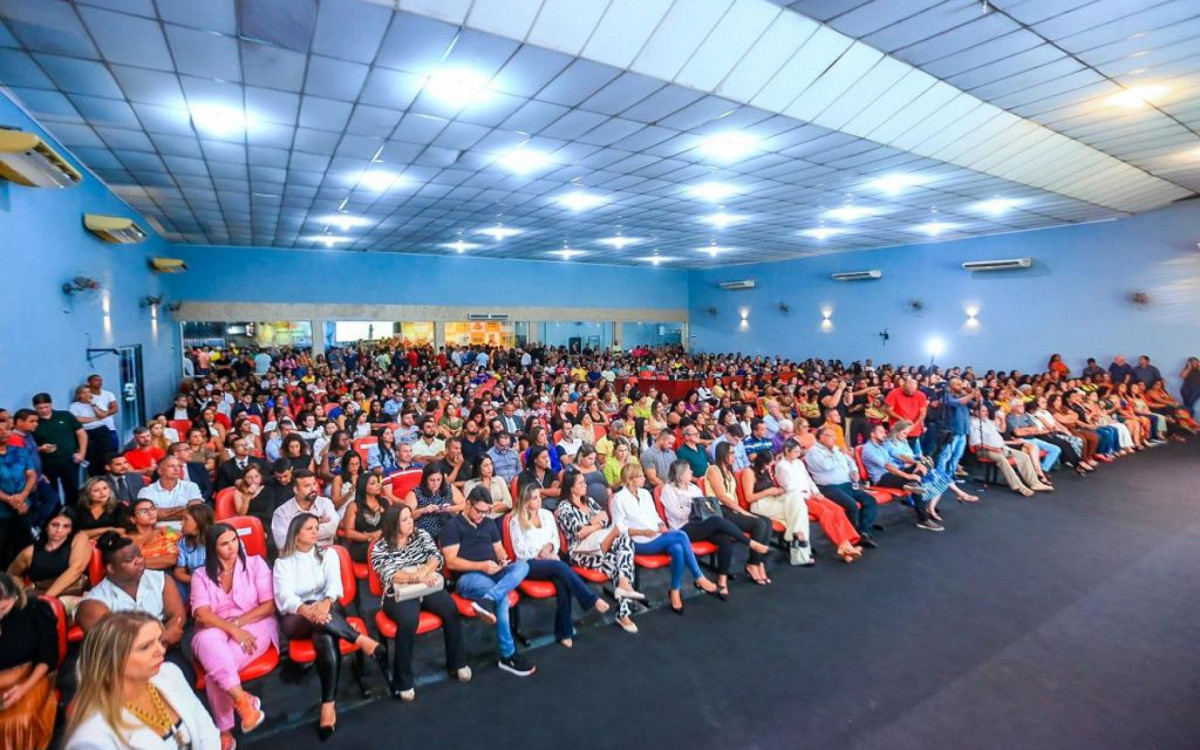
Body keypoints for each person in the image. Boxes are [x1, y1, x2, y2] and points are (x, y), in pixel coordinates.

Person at [273, 514, 391, 739]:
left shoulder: (328, 555)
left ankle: (328, 705)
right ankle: (359, 639)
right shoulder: (283, 563)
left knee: (324, 635)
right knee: (319, 623)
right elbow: (284, 598)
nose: (316, 532)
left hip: (329, 609)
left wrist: (325, 604)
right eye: (309, 529)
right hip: (296, 616)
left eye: (317, 527)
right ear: (296, 533)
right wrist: (308, 610)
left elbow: (335, 585)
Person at [64, 610, 221, 750]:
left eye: (159, 641)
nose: (161, 650)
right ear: (114, 660)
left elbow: (206, 729)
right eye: (146, 647)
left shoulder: (170, 672)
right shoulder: (92, 737)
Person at [370, 505, 470, 701]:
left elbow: (436, 557)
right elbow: (388, 574)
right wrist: (415, 577)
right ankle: (403, 681)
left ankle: (457, 663)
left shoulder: (420, 534)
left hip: (427, 585)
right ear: (393, 524)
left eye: (410, 518)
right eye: (405, 519)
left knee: (450, 608)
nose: (411, 522)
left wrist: (423, 572)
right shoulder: (380, 546)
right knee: (408, 621)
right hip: (398, 593)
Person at [189, 523, 275, 749]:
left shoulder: (256, 564)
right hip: (213, 628)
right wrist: (232, 629)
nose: (232, 547)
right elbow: (202, 614)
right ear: (212, 548)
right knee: (211, 647)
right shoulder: (200, 574)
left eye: (234, 540)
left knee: (215, 673)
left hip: (255, 623)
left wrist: (237, 624)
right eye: (224, 543)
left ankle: (225, 731)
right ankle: (243, 702)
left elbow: (268, 606)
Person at [443, 488, 535, 676]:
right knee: (500, 594)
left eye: (486, 511)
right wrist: (481, 566)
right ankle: (507, 654)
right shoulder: (452, 526)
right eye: (479, 511)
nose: (482, 515)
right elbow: (451, 561)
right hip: (468, 578)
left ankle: (487, 600)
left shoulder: (488, 523)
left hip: (493, 571)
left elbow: (499, 549)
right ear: (468, 504)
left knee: (523, 566)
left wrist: (501, 560)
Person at [75, 532, 191, 680]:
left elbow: (177, 616)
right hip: (121, 666)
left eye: (139, 555)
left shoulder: (161, 579)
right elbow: (114, 647)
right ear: (110, 568)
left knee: (184, 677)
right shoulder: (93, 604)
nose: (139, 561)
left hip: (166, 652)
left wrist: (161, 646)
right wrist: (163, 638)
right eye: (130, 560)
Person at [508, 484, 610, 647]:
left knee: (562, 580)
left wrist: (549, 548)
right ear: (526, 502)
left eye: (539, 496)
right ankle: (590, 600)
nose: (539, 501)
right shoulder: (515, 521)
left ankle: (564, 631)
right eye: (534, 498)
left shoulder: (547, 515)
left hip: (550, 558)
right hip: (529, 564)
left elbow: (555, 540)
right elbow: (520, 550)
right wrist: (541, 552)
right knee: (561, 568)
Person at [610, 463, 718, 614]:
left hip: (655, 535)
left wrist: (661, 524)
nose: (643, 478)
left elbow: (654, 515)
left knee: (678, 548)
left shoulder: (645, 494)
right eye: (639, 476)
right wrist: (642, 532)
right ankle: (698, 576)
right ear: (629, 480)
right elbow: (618, 529)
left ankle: (675, 590)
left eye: (642, 475)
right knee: (681, 535)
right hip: (636, 541)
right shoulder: (618, 499)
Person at [661, 460, 771, 597]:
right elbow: (676, 513)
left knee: (724, 539)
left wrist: (699, 509)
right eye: (689, 471)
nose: (692, 473)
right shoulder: (668, 490)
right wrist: (695, 507)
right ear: (680, 474)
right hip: (682, 528)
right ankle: (750, 543)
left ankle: (722, 579)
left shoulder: (694, 488)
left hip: (700, 524)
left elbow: (705, 507)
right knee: (716, 520)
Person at [0, 573, 57, 750]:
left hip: (28, 675)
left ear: (14, 597)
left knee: (17, 721)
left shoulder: (35, 610)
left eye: (2, 608)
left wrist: (23, 688)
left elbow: (47, 657)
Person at [702, 443, 774, 584]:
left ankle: (759, 562)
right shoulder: (713, 469)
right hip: (719, 511)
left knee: (767, 522)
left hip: (731, 509)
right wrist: (742, 512)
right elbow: (722, 497)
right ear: (723, 454)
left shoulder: (729, 470)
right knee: (758, 524)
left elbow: (733, 495)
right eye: (732, 453)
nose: (735, 456)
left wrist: (739, 510)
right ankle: (752, 564)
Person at [804, 427, 881, 545]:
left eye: (835, 436)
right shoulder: (813, 452)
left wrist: (854, 471)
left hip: (847, 483)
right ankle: (853, 536)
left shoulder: (835, 449)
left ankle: (864, 531)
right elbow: (826, 466)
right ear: (822, 437)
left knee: (870, 500)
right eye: (831, 436)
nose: (834, 439)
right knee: (852, 505)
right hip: (828, 487)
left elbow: (850, 461)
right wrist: (835, 453)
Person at [861, 424, 944, 531]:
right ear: (872, 434)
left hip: (893, 473)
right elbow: (888, 466)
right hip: (882, 478)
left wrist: (917, 462)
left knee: (924, 464)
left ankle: (912, 484)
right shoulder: (868, 449)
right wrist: (908, 476)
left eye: (884, 431)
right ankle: (923, 519)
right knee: (915, 483)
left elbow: (899, 455)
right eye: (881, 432)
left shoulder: (883, 444)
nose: (884, 434)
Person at [7, 508, 90, 609]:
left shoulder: (79, 538)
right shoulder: (29, 552)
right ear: (46, 526)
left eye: (66, 526)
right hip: (38, 595)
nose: (59, 530)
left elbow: (77, 568)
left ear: (71, 530)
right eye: (55, 525)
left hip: (71, 594)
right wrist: (22, 592)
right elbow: (12, 574)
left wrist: (47, 598)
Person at [968, 406, 1053, 497]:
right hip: (984, 450)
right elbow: (977, 444)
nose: (986, 413)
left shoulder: (988, 421)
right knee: (1001, 459)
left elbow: (1002, 429)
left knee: (1023, 456)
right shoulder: (973, 423)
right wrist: (994, 449)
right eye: (983, 411)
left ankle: (1035, 483)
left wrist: (1003, 418)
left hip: (1001, 448)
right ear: (976, 412)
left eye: (986, 411)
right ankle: (1019, 487)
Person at [31, 392, 86, 504]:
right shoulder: (34, 422)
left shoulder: (65, 416)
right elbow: (29, 444)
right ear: (34, 407)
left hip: (70, 460)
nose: (44, 410)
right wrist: (41, 448)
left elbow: (81, 434)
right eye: (40, 408)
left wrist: (82, 453)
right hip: (47, 463)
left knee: (72, 490)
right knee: (51, 491)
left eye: (46, 406)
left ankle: (72, 515)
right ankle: (55, 516)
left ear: (51, 404)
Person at [270, 470, 339, 551]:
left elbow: (332, 529)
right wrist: (318, 523)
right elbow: (283, 543)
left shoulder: (325, 503)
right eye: (307, 486)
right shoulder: (282, 512)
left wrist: (296, 532)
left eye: (314, 484)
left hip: (325, 553)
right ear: (296, 490)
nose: (313, 488)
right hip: (297, 557)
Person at [0, 415, 36, 570]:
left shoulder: (20, 452)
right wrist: (9, 499)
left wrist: (22, 496)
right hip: (2, 511)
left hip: (22, 506)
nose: (4, 433)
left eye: (7, 429)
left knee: (25, 543)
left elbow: (31, 474)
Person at [404, 463, 464, 541]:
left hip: (447, 527)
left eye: (439, 480)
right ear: (425, 479)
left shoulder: (448, 488)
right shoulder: (416, 492)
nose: (436, 484)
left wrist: (449, 508)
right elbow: (405, 516)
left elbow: (464, 504)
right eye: (432, 480)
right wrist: (423, 510)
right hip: (425, 532)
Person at [138, 456, 203, 523]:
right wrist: (185, 508)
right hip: (158, 531)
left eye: (179, 466)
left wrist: (159, 512)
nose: (177, 469)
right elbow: (146, 515)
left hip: (186, 530)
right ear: (160, 471)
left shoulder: (191, 486)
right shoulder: (146, 491)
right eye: (171, 466)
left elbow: (196, 511)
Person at [342, 474, 390, 563]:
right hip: (362, 545)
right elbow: (349, 533)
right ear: (363, 487)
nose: (378, 485)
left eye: (378, 482)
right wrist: (370, 537)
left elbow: (392, 523)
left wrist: (382, 534)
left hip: (384, 540)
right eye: (373, 483)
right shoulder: (354, 506)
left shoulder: (385, 502)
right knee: (383, 549)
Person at [124, 498, 182, 571]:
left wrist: (136, 563)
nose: (151, 513)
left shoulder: (166, 531)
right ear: (132, 519)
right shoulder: (125, 539)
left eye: (152, 508)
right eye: (144, 511)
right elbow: (121, 562)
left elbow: (171, 559)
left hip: (164, 575)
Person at [173, 503, 213, 603]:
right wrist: (199, 581)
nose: (181, 523)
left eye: (185, 519)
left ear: (199, 522)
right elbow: (179, 573)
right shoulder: (183, 542)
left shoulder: (220, 538)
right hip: (196, 583)